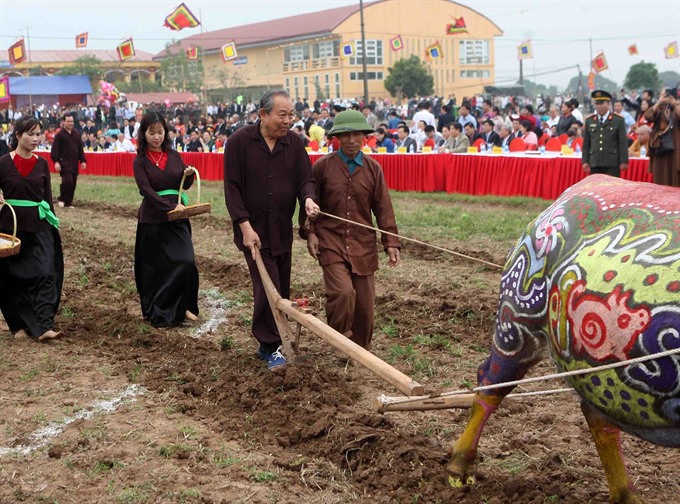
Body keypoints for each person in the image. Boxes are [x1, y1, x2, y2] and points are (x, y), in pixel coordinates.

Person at [225, 89, 319, 370]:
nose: (288, 120)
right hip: (253, 232)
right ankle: (270, 345)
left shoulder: (293, 143)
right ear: (263, 114)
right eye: (282, 114)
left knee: (282, 286)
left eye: (291, 114)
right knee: (268, 287)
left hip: (281, 228)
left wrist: (308, 199)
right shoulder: (240, 142)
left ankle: (276, 340)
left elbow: (306, 179)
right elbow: (232, 188)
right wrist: (244, 226)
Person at [304, 110, 400, 355]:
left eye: (356, 134)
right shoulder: (322, 167)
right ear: (336, 138)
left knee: (365, 305)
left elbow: (383, 206)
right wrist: (311, 233)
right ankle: (339, 341)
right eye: (345, 135)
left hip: (362, 244)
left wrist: (391, 242)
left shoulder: (373, 169)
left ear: (365, 137)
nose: (351, 140)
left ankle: (361, 349)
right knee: (343, 294)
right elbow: (309, 203)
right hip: (331, 240)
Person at [133, 112, 199, 328]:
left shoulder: (173, 155)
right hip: (152, 220)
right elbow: (146, 191)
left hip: (177, 218)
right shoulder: (140, 161)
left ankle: (183, 306)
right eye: (151, 132)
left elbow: (183, 184)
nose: (156, 137)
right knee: (156, 269)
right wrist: (168, 206)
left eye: (160, 132)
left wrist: (188, 175)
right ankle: (159, 310)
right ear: (144, 134)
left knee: (186, 261)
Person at [0, 116, 63, 341]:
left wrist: (53, 224)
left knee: (46, 273)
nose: (36, 138)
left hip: (39, 226)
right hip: (11, 229)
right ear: (18, 135)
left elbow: (47, 198)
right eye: (31, 134)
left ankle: (44, 324)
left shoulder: (41, 164)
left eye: (39, 134)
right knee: (12, 278)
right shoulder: (3, 163)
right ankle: (18, 326)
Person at [582, 90, 629, 177]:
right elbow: (586, 143)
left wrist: (624, 160)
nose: (598, 106)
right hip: (595, 161)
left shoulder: (618, 120)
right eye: (596, 103)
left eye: (601, 103)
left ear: (608, 104)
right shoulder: (590, 121)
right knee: (595, 187)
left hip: (612, 162)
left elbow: (623, 142)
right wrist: (585, 161)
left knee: (612, 188)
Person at [644, 88, 680, 187]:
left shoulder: (676, 107)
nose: (666, 97)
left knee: (675, 181)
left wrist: (674, 104)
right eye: (664, 95)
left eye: (668, 95)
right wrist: (659, 102)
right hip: (660, 150)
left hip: (675, 152)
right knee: (660, 180)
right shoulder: (660, 108)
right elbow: (647, 116)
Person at [51, 114, 86, 208]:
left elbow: (80, 148)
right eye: (68, 121)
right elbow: (55, 150)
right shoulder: (60, 135)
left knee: (73, 183)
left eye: (72, 121)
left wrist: (83, 160)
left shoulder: (76, 134)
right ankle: (62, 199)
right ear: (63, 122)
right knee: (67, 181)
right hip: (64, 162)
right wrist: (56, 162)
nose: (70, 123)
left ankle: (68, 202)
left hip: (74, 162)